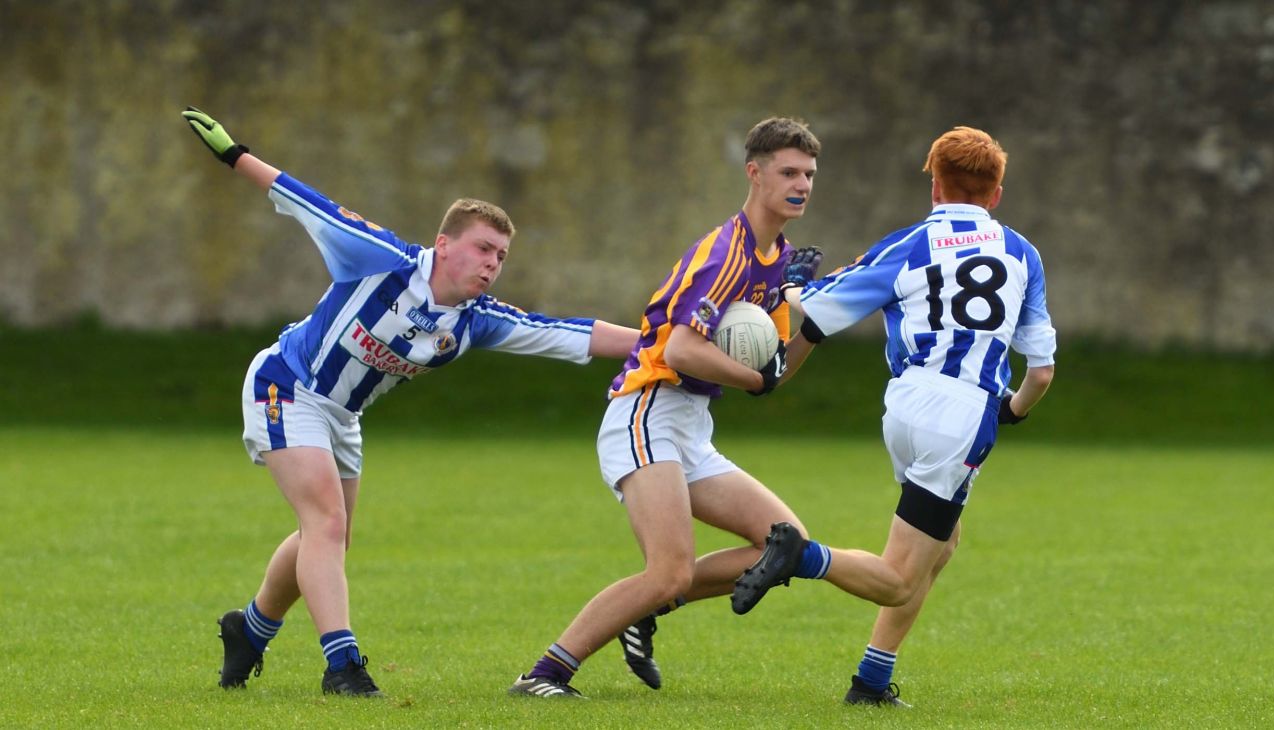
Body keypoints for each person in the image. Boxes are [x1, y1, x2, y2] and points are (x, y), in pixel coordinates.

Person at [181, 107, 640, 697]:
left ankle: (250, 629)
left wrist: (664, 343)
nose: (492, 264)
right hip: (287, 385)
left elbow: (568, 332)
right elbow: (306, 200)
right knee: (324, 522)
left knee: (330, 535)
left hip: (342, 416)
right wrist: (233, 153)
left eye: (501, 256)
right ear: (443, 244)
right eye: (482, 249)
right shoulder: (382, 259)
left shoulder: (476, 321)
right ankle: (342, 667)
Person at [730, 125, 1057, 707]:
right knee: (899, 576)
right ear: (998, 193)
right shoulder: (1022, 253)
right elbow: (1041, 372)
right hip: (960, 415)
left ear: (935, 187)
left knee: (943, 541)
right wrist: (1012, 412)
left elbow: (817, 309)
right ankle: (799, 555)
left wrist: (793, 288)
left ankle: (873, 681)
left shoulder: (907, 244)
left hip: (903, 405)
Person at [508, 117, 829, 699]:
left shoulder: (778, 260)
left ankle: (647, 607)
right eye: (788, 172)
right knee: (669, 570)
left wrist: (811, 320)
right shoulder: (727, 252)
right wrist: (754, 381)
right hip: (646, 410)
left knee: (788, 542)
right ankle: (544, 675)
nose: (801, 183)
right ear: (754, 175)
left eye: (808, 173)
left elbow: (773, 371)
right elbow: (683, 349)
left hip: (689, 425)